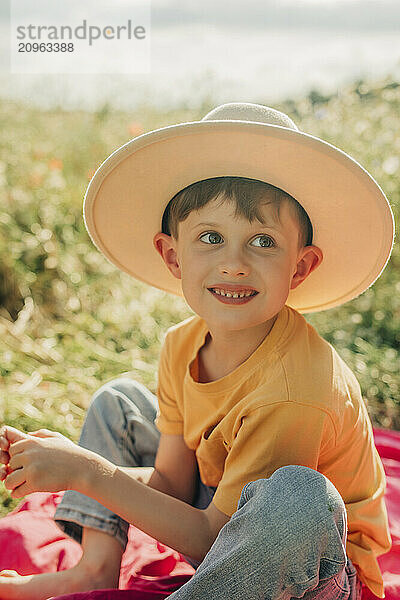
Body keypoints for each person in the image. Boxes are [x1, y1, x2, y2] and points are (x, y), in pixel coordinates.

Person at [0, 102, 394, 600]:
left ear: (300, 267)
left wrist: (87, 472)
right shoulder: (182, 344)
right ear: (172, 256)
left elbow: (219, 542)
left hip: (313, 568)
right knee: (118, 402)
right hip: (222, 519)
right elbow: (172, 484)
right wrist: (68, 462)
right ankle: (93, 570)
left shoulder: (295, 391)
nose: (233, 263)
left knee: (298, 495)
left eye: (263, 241)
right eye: (210, 238)